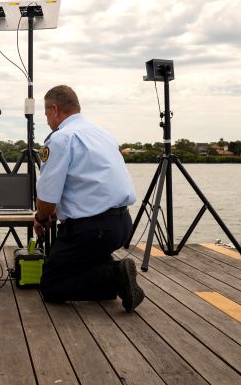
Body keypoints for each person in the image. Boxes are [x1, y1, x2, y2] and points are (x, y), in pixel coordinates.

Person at [34, 85, 145, 312]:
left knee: (51, 286)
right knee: (83, 268)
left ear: (55, 109)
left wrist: (41, 217)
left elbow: (47, 198)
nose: (47, 121)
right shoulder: (102, 133)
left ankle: (114, 274)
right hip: (121, 224)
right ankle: (115, 277)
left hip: (91, 230)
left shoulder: (61, 138)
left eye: (46, 115)